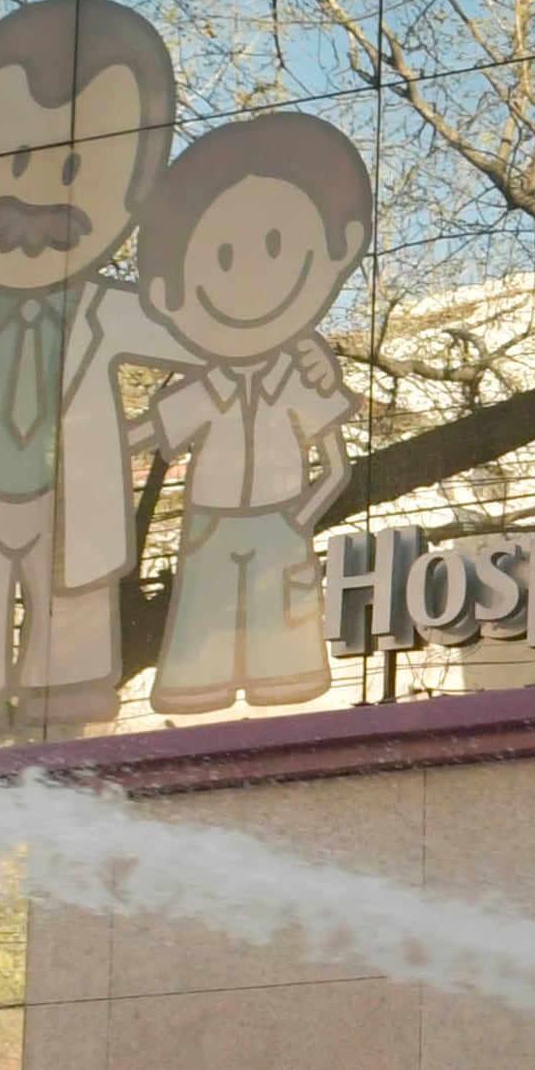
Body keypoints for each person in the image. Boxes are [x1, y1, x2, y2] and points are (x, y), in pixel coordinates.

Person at [0, 0, 189, 741]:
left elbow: (200, 334)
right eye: (15, 159)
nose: (36, 191)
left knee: (71, 626)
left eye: (71, 166)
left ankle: (65, 711)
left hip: (68, 504)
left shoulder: (103, 311)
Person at [134, 111, 367, 713]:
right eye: (223, 257)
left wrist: (299, 518)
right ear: (170, 293)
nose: (253, 275)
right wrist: (80, 444)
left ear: (337, 250)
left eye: (274, 244)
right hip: (208, 525)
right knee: (197, 652)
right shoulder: (208, 385)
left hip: (277, 527)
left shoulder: (300, 380)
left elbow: (338, 468)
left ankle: (282, 684)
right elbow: (147, 432)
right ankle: (194, 689)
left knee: (285, 657)